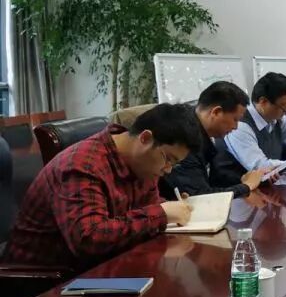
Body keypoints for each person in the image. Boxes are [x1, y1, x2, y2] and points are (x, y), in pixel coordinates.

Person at [1, 104, 201, 273]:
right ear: (145, 138)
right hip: (42, 282)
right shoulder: (82, 165)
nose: (168, 170)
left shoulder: (143, 165)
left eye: (174, 164)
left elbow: (147, 209)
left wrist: (168, 209)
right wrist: (161, 213)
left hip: (101, 268)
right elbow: (89, 240)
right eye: (168, 159)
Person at [161, 81, 274, 200]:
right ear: (216, 112)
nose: (235, 127)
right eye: (235, 120)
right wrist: (246, 186)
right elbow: (200, 197)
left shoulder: (198, 129)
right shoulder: (185, 137)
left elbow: (208, 181)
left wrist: (243, 180)